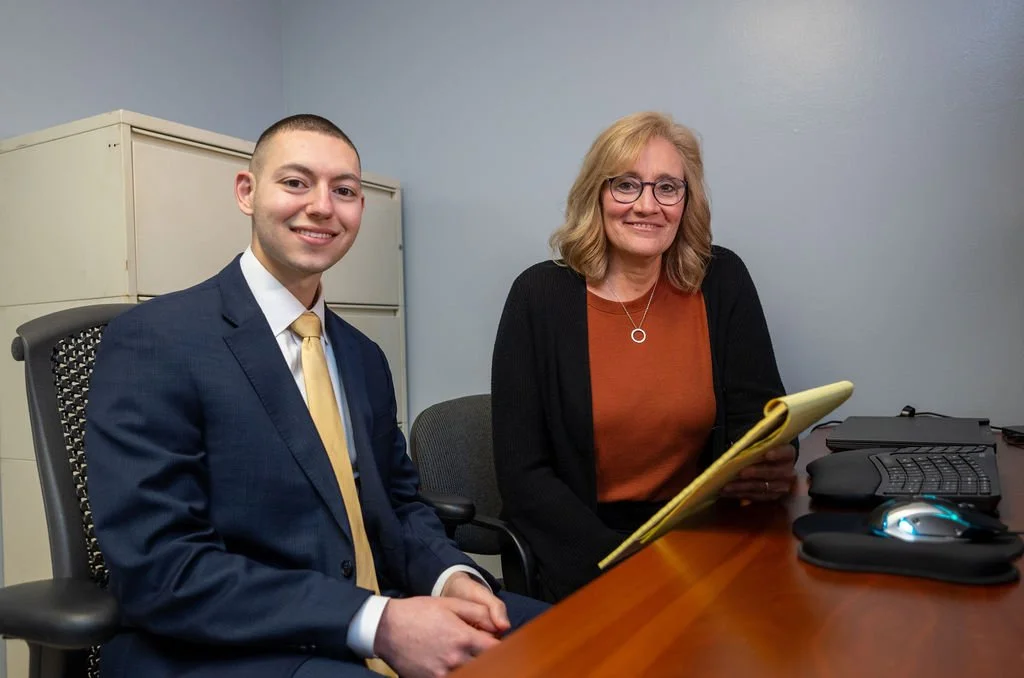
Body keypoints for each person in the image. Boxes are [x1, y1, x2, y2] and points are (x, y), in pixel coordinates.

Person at [85, 114, 547, 678]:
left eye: (345, 191)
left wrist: (453, 578)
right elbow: (162, 568)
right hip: (226, 644)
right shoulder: (155, 339)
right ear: (247, 192)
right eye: (296, 182)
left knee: (576, 641)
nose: (323, 206)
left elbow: (401, 507)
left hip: (371, 608)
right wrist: (378, 621)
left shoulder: (361, 355)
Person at [491, 111, 796, 602]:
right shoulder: (539, 296)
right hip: (581, 549)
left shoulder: (722, 280)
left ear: (686, 200)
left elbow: (760, 417)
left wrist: (773, 460)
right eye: (627, 185)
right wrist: (630, 569)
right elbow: (523, 474)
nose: (647, 205)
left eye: (667, 188)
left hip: (698, 534)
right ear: (597, 193)